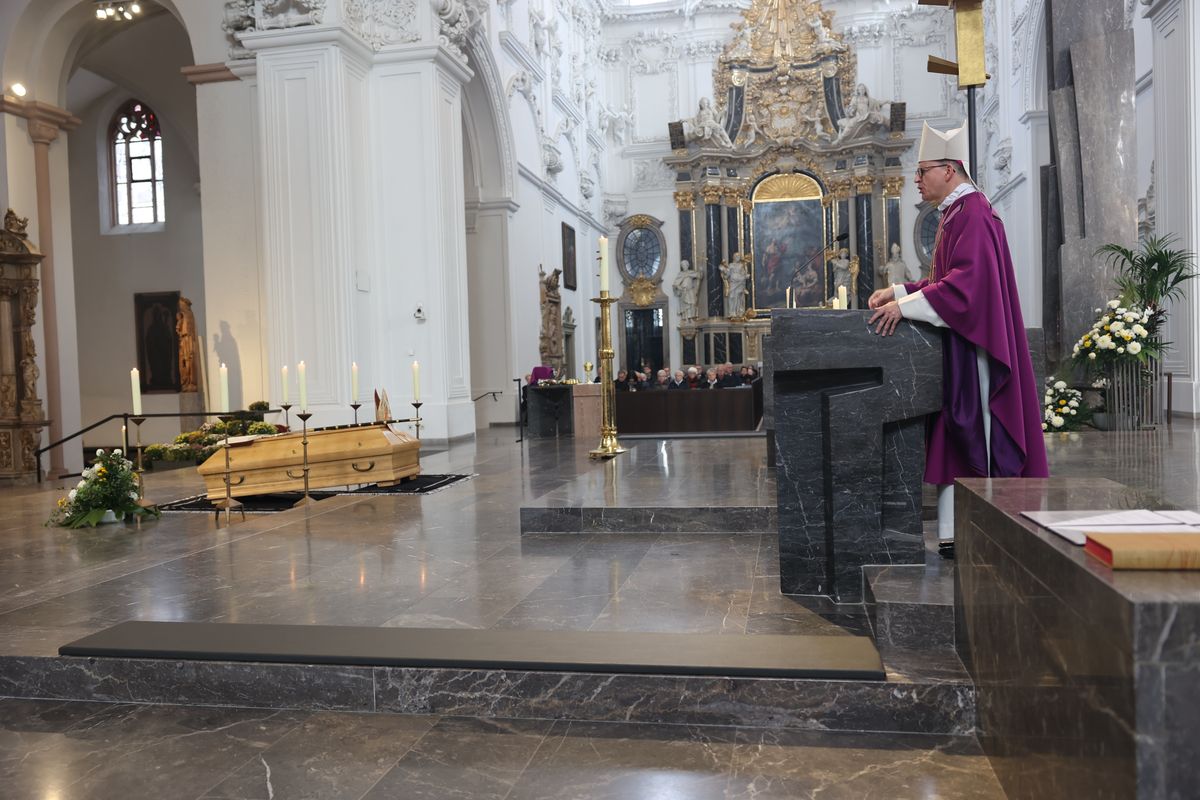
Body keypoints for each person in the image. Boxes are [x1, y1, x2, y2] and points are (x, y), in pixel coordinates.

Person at [867, 121, 1048, 560]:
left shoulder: (974, 212)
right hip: (960, 344)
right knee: (954, 433)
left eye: (922, 170)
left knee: (976, 433)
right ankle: (954, 535)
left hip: (977, 349)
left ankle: (984, 530)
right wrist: (900, 291)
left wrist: (903, 307)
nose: (916, 179)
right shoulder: (955, 214)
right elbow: (944, 281)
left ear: (949, 169)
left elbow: (967, 289)